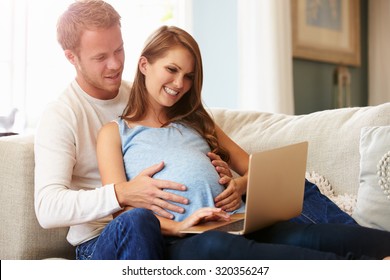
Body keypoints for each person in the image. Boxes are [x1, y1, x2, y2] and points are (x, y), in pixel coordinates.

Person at [97, 25, 390, 260]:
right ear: (145, 65)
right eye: (171, 70)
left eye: (188, 76)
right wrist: (179, 226)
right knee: (222, 249)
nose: (179, 84)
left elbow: (254, 170)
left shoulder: (197, 120)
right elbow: (123, 211)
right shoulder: (115, 133)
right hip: (183, 241)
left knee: (315, 236)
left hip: (237, 224)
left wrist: (239, 185)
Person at [33, 0, 231, 260]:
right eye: (101, 57)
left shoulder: (145, 94)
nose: (115, 64)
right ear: (72, 57)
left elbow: (186, 137)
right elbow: (47, 208)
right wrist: (121, 193)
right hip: (102, 238)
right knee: (138, 220)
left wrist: (218, 170)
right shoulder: (61, 115)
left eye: (119, 50)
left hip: (168, 228)